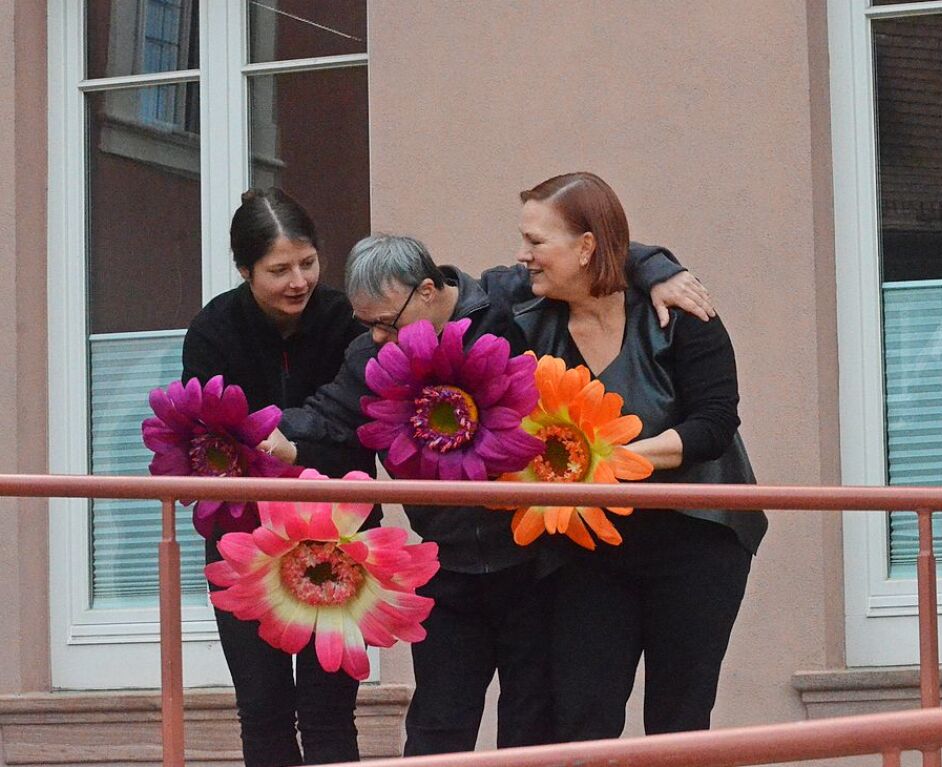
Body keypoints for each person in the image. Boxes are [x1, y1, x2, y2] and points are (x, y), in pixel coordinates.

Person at [263, 233, 713, 755]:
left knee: (530, 726)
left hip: (533, 564)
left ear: (428, 290)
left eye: (389, 321)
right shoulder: (372, 354)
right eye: (369, 326)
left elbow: (583, 254)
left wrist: (661, 270)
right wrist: (276, 435)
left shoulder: (506, 302)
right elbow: (328, 416)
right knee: (437, 727)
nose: (380, 338)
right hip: (449, 567)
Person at [511, 172, 768, 741]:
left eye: (536, 242)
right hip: (590, 551)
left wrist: (611, 459)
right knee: (580, 717)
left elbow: (714, 425)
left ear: (585, 248)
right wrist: (655, 261)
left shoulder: (680, 312)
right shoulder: (526, 314)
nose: (522, 255)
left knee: (678, 722)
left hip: (697, 539)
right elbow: (458, 289)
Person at [182, 188, 377, 767]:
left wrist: (296, 446)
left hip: (341, 535)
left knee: (329, 713)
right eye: (278, 269)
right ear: (244, 270)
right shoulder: (214, 329)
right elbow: (201, 441)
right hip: (243, 542)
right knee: (263, 711)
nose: (299, 280)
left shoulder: (347, 319)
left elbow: (363, 425)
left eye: (308, 262)